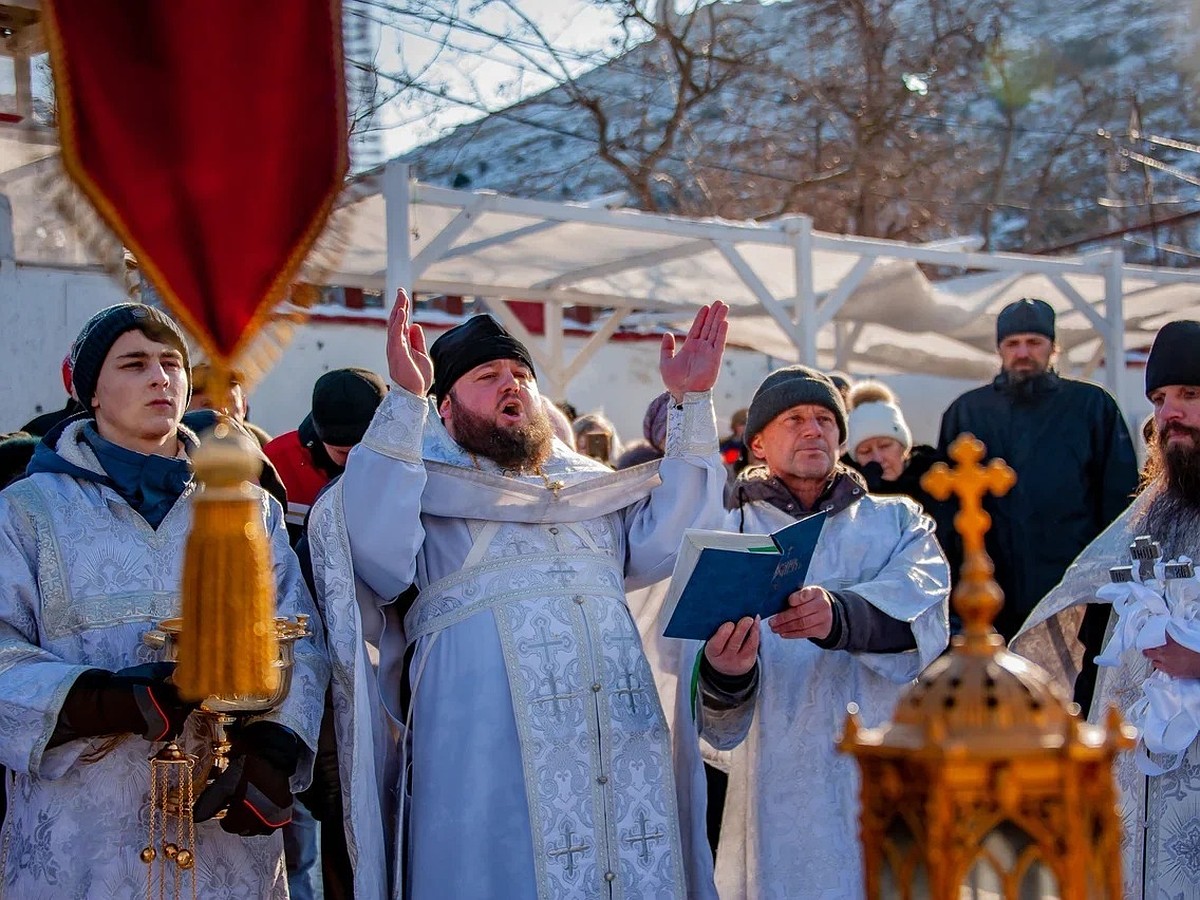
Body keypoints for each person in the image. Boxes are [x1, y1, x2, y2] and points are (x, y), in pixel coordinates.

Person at [308, 291, 730, 899]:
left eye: (522, 376)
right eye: (488, 376)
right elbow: (373, 552)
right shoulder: (418, 481)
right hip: (482, 757)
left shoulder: (589, 487)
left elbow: (673, 544)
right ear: (445, 407)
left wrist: (691, 403)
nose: (512, 386)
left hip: (615, 747)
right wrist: (403, 402)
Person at [0, 303, 328, 897]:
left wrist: (272, 751)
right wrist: (101, 701)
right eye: (135, 363)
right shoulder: (26, 511)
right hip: (86, 821)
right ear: (89, 390)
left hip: (218, 824)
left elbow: (299, 639)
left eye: (172, 363)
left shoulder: (249, 507)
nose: (161, 378)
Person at [692, 364, 951, 898]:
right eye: (794, 419)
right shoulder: (725, 529)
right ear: (759, 442)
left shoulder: (895, 521)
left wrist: (843, 618)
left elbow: (926, 605)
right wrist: (727, 671)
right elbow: (685, 664)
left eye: (824, 419)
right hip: (776, 771)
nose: (813, 430)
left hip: (879, 758)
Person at [1012, 320, 1200, 900]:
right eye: (1160, 400)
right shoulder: (1154, 507)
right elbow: (1077, 590)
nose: (1170, 414)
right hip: (1132, 783)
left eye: (1190, 396)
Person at [937, 298, 1137, 695]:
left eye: (1034, 342)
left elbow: (1120, 502)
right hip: (990, 590)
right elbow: (946, 512)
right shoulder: (967, 413)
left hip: (1074, 590)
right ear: (999, 350)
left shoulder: (1091, 406)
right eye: (1013, 344)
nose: (1023, 353)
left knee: (1073, 701)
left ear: (1052, 348)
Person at [264, 367, 387, 544]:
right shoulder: (278, 461)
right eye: (342, 452)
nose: (353, 459)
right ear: (320, 437)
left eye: (363, 450)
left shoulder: (410, 465)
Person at [845, 381, 948, 527]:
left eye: (885, 446)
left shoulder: (935, 475)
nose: (878, 458)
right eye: (865, 451)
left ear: (903, 446)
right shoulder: (845, 490)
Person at [188, 361, 271, 446]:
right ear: (185, 409)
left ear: (243, 407)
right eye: (207, 404)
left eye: (228, 402)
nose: (222, 411)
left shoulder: (274, 456)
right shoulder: (177, 455)